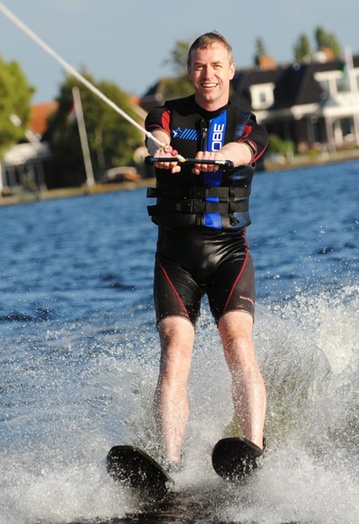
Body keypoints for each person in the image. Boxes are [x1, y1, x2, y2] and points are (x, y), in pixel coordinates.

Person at [144, 31, 268, 471]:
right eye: (199, 65)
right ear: (190, 71)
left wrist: (219, 159)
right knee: (175, 346)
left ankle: (252, 447)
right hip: (176, 255)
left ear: (231, 70)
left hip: (229, 252)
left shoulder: (248, 123)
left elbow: (245, 149)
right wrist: (162, 153)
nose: (208, 74)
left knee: (237, 340)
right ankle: (171, 464)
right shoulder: (166, 114)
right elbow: (153, 135)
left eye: (216, 65)